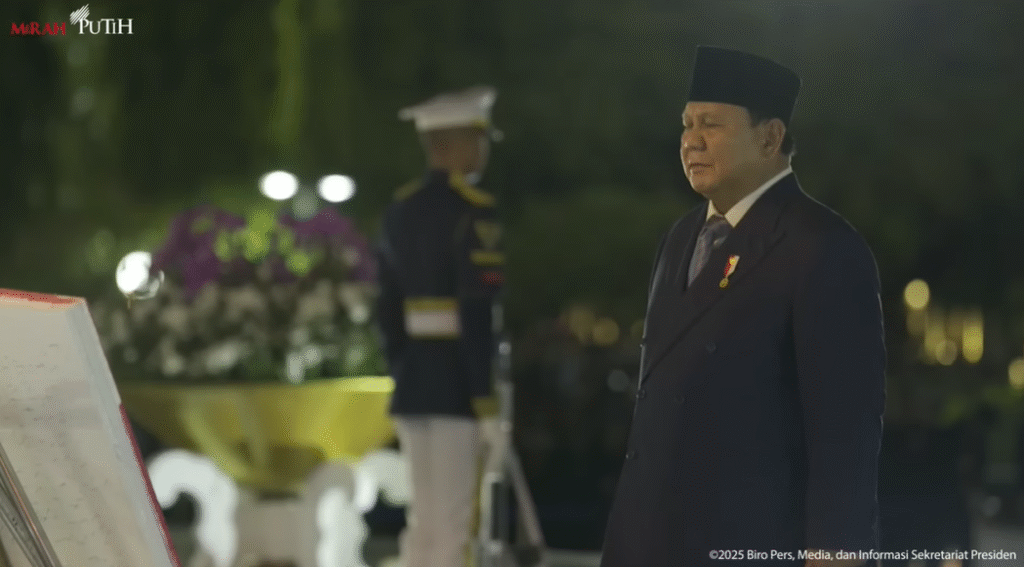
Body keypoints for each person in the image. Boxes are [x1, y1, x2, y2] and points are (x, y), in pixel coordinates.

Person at [600, 46, 886, 567]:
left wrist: (836, 554)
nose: (691, 140)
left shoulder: (820, 245)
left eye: (711, 124)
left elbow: (845, 433)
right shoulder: (681, 237)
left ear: (770, 137)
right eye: (686, 124)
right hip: (649, 540)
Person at [375, 85, 505, 567]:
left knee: (424, 522)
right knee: (455, 526)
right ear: (454, 145)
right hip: (457, 387)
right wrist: (485, 399)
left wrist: (403, 367)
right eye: (479, 138)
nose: (483, 150)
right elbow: (476, 312)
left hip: (413, 383)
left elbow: (386, 310)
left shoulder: (399, 211)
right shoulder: (473, 212)